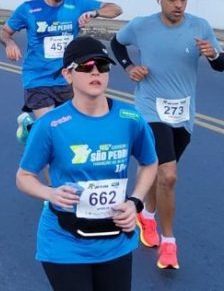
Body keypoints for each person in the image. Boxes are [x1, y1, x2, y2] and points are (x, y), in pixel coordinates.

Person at [16, 36, 158, 291]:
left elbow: (150, 163)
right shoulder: (50, 125)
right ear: (67, 75)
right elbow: (24, 176)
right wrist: (50, 193)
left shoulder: (130, 118)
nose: (95, 72)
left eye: (102, 66)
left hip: (115, 240)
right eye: (85, 66)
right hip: (64, 241)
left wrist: (135, 203)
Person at [110, 0, 224, 271]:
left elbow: (221, 65)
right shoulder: (142, 26)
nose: (178, 4)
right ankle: (169, 242)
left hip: (183, 114)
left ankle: (147, 215)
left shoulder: (199, 27)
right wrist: (129, 67)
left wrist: (213, 54)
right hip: (150, 109)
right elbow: (116, 43)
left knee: (159, 173)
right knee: (169, 175)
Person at [0, 0, 122, 143]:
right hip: (38, 79)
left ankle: (30, 128)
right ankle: (38, 131)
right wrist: (9, 43)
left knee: (70, 130)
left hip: (68, 78)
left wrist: (95, 13)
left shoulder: (77, 5)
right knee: (53, 134)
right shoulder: (28, 9)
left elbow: (116, 9)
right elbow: (5, 32)